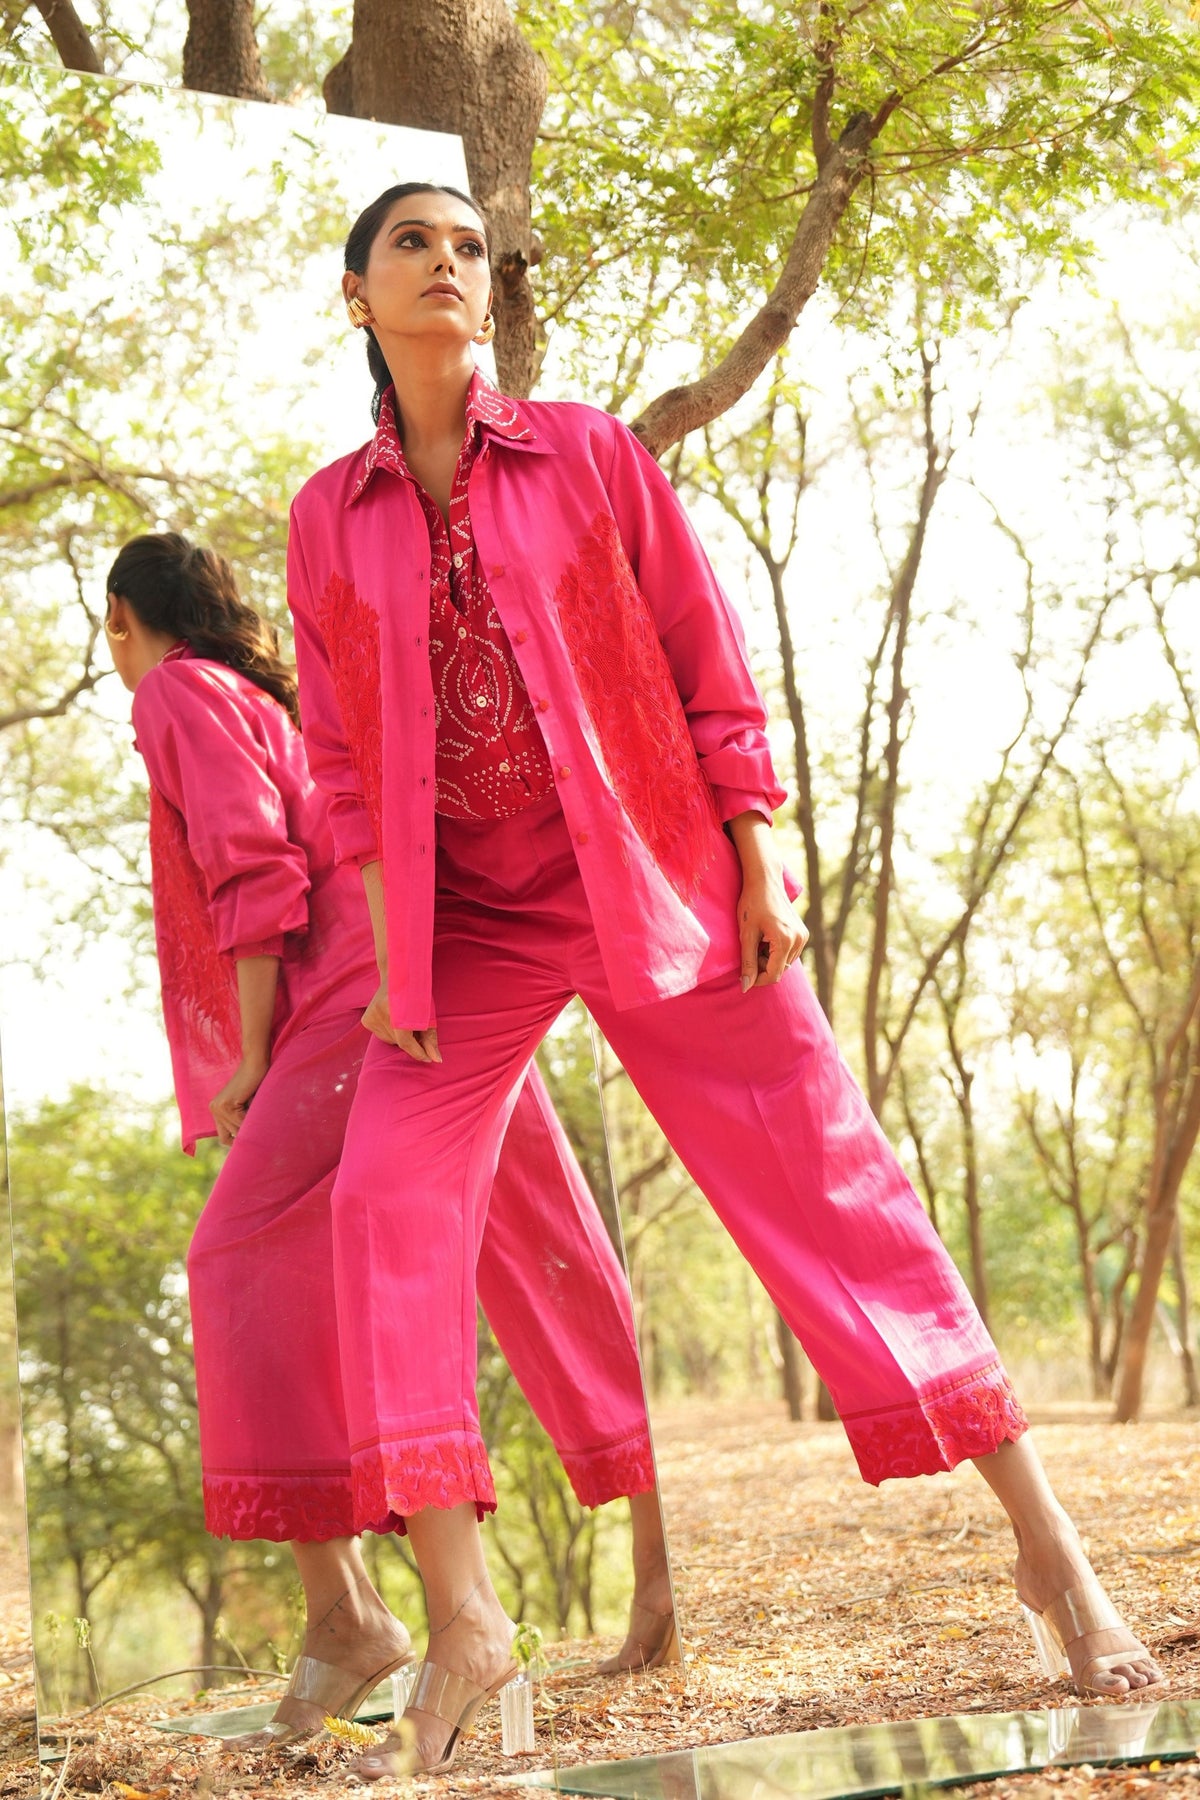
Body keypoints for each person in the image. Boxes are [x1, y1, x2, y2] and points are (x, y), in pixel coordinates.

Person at [286, 181, 1164, 1780]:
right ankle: (462, 1612)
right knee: (381, 1200)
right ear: (356, 298)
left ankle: (1053, 1547)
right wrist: (384, 947)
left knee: (834, 1189)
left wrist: (755, 852)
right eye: (412, 245)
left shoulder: (589, 454)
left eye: (470, 248)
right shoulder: (322, 516)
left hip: (653, 877)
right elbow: (340, 757)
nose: (448, 265)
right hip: (461, 930)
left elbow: (701, 650)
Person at [103, 533, 675, 1746]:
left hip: (357, 1001)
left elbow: (253, 874)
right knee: (548, 1251)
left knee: (240, 1252)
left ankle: (349, 1615)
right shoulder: (257, 696)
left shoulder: (175, 692)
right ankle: (660, 1571)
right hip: (436, 973)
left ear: (122, 622)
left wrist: (255, 1059)